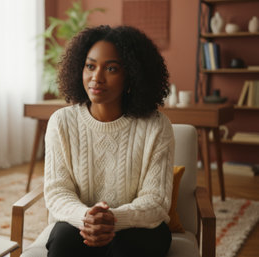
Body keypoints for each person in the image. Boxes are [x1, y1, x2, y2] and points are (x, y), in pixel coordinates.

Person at [43, 25, 174, 257]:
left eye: (111, 68)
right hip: (80, 223)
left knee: (132, 245)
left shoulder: (156, 126)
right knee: (62, 240)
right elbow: (57, 191)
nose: (96, 77)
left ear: (132, 74)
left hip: (136, 226)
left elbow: (156, 200)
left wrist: (114, 219)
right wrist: (87, 218)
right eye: (90, 66)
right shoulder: (61, 122)